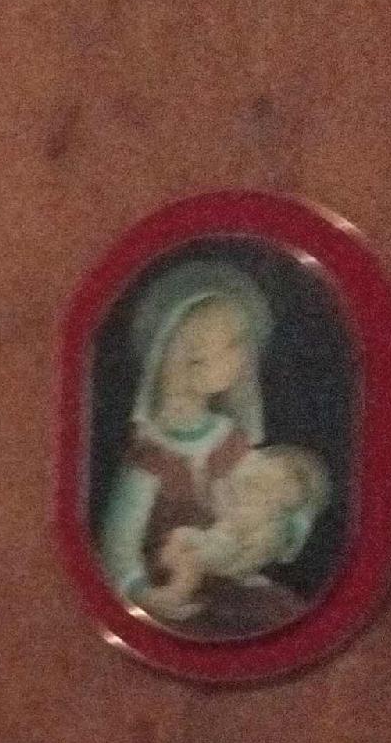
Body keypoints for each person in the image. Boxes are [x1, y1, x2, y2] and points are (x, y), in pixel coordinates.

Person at [93, 267, 271, 617]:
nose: (242, 356)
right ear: (190, 362)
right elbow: (119, 545)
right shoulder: (150, 455)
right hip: (166, 589)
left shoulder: (230, 440)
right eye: (231, 344)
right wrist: (144, 593)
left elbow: (264, 504)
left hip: (229, 584)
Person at [144, 442, 331, 640]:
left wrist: (240, 567)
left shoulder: (270, 522)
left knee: (193, 561)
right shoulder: (249, 500)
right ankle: (172, 568)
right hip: (216, 539)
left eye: (278, 484)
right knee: (180, 535)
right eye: (263, 480)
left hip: (231, 552)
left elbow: (253, 547)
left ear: (289, 497)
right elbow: (223, 509)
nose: (261, 486)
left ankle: (175, 596)